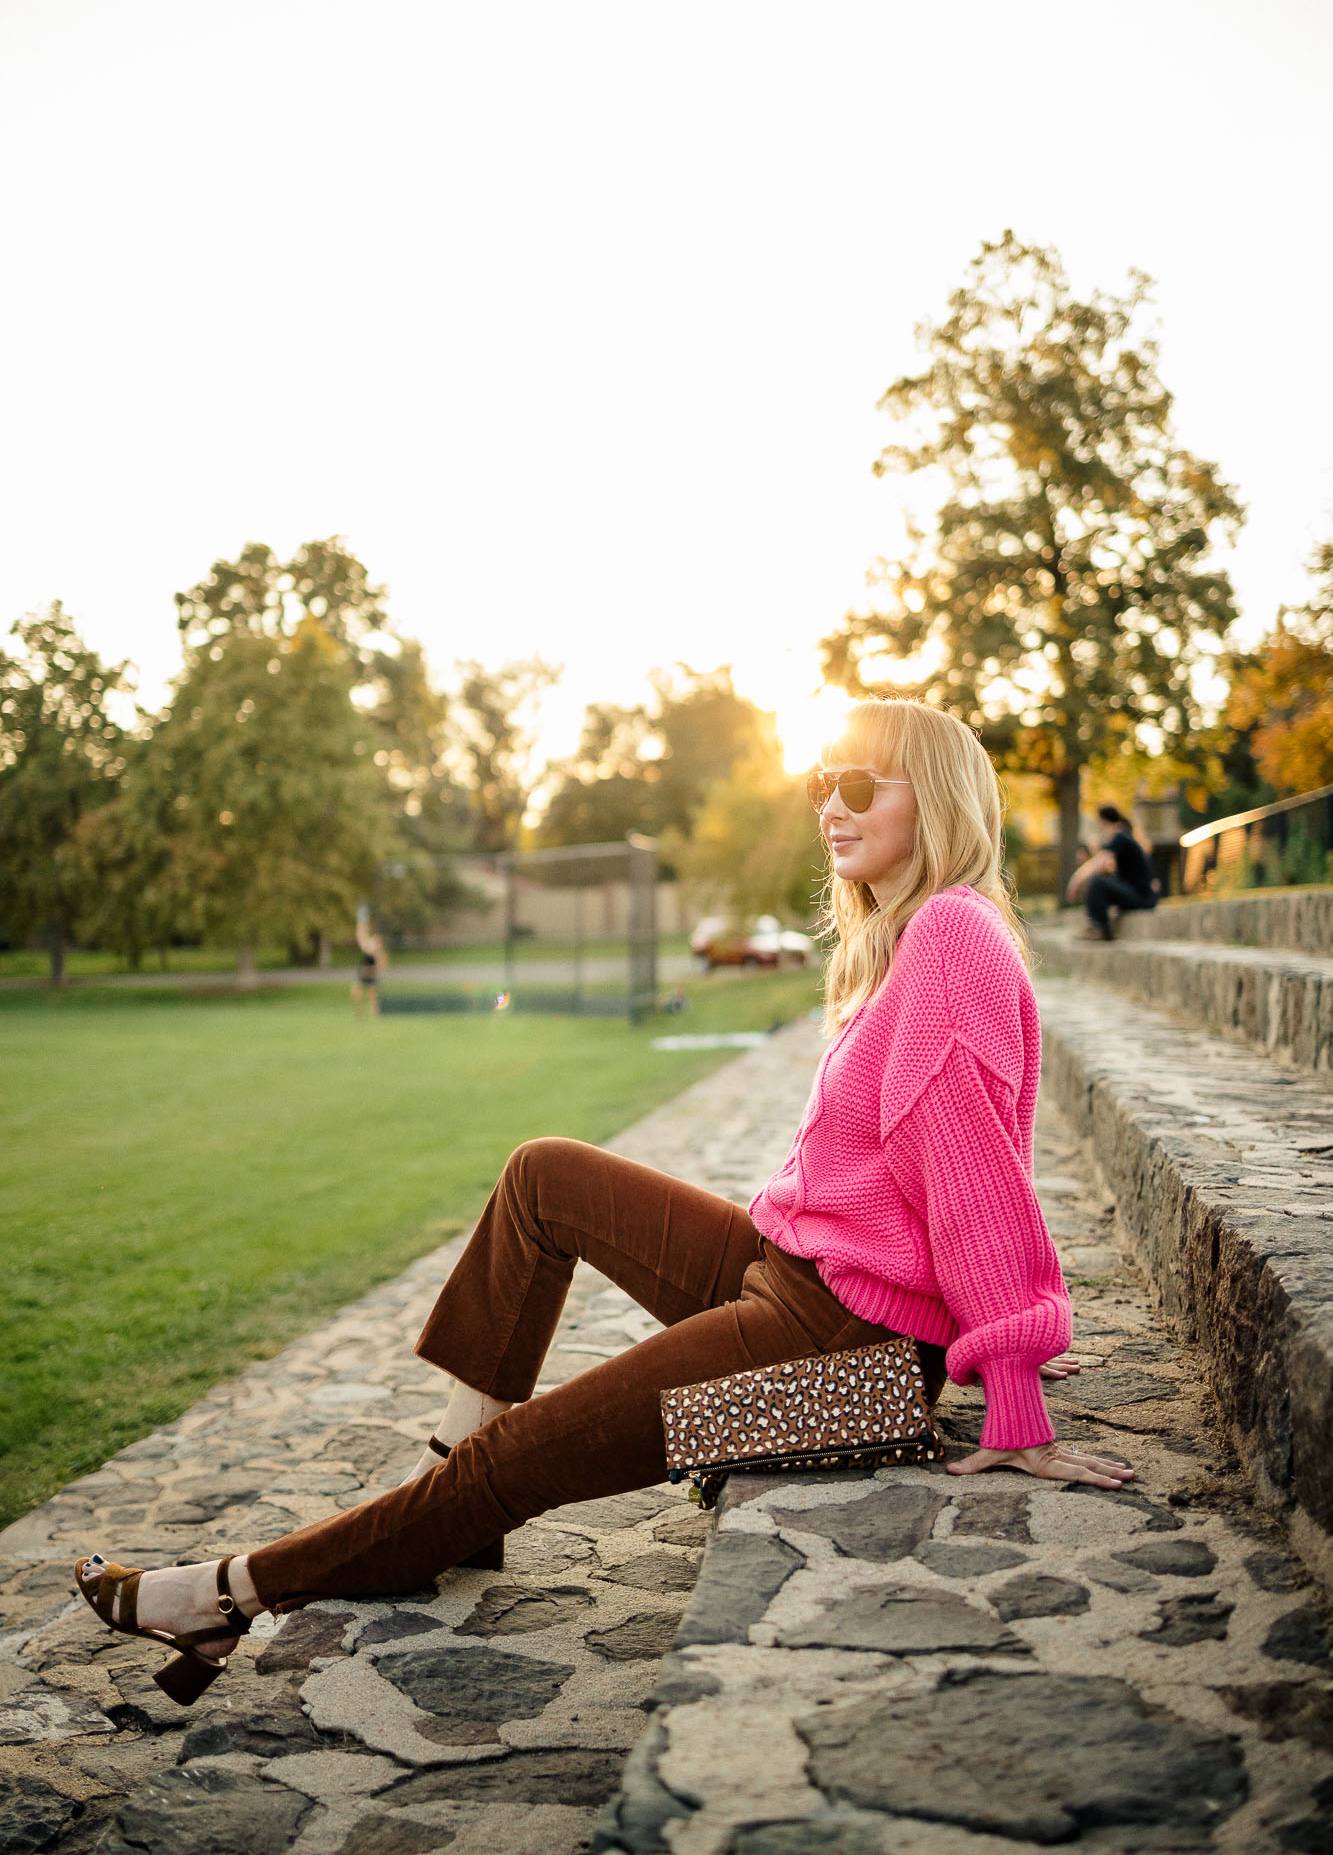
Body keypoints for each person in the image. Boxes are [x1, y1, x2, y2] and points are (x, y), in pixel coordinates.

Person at [74, 696, 1132, 1705]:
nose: (832, 806)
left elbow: (977, 1176)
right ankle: (451, 1486)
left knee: (518, 1459)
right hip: (800, 1277)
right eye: (823, 782)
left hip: (851, 1362)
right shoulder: (914, 936)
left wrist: (1011, 1375)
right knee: (546, 1173)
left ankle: (225, 1593)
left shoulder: (951, 933)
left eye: (862, 782)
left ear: (937, 799)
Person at [1066, 804, 1158, 940]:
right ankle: (1095, 925)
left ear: (1104, 822)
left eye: (1100, 827)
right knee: (1098, 880)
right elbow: (1106, 868)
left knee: (1096, 882)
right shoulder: (1125, 837)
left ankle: (1099, 927)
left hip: (1142, 898)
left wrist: (1075, 881)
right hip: (1139, 895)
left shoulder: (1121, 837)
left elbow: (1099, 863)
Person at [351, 913, 386, 1018]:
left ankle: (374, 1016)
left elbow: (382, 966)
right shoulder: (366, 948)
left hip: (371, 976)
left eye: (375, 941)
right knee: (355, 993)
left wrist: (372, 971)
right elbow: (360, 935)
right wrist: (362, 923)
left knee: (373, 998)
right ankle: (359, 1014)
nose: (373, 942)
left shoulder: (379, 954)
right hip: (362, 975)